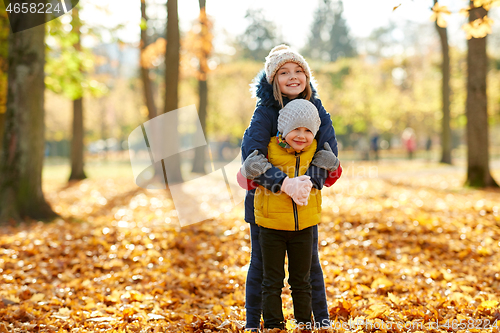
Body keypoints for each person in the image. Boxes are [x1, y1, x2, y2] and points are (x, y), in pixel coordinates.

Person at [239, 44, 342, 331]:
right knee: (262, 266)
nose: (293, 76)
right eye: (284, 72)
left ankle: (319, 320)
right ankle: (255, 322)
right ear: (273, 80)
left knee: (309, 267)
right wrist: (284, 183)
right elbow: (252, 157)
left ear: (307, 77)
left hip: (303, 207)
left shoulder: (318, 110)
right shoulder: (264, 114)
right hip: (266, 207)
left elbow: (328, 153)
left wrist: (306, 186)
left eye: (299, 71)